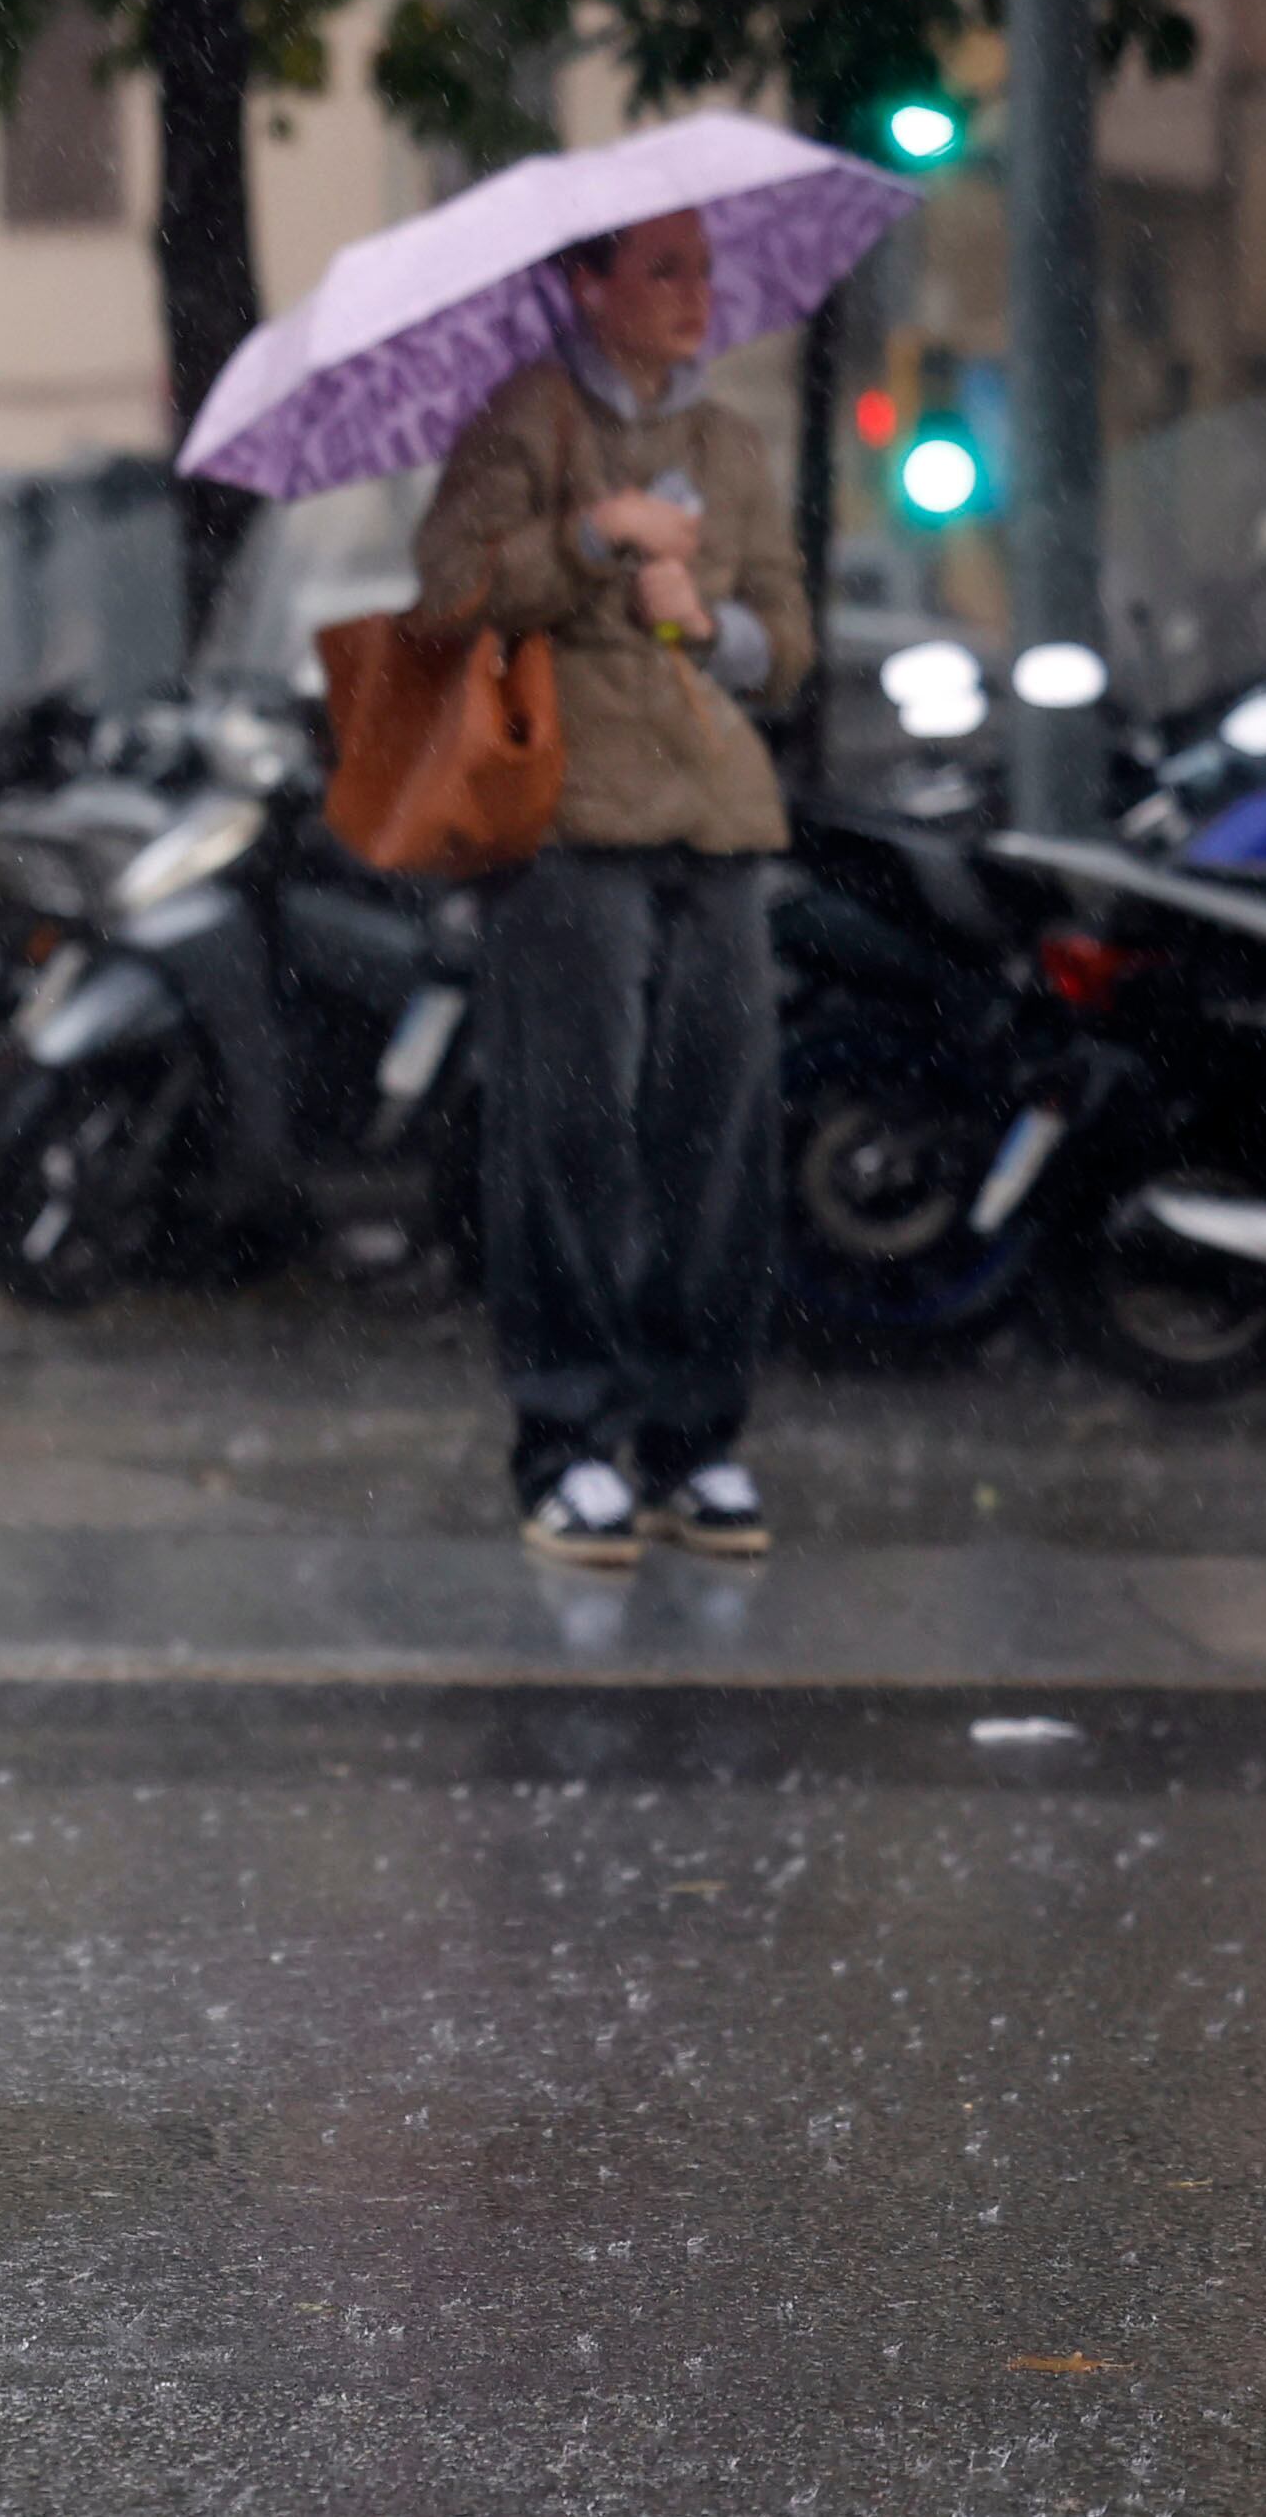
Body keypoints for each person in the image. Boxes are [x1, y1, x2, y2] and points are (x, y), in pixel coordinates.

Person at [408, 205, 815, 1569]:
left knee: (720, 1136)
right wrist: (590, 539)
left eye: (704, 269)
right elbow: (446, 592)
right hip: (568, 818)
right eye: (663, 269)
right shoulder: (524, 420)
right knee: (572, 1135)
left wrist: (722, 625)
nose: (696, 294)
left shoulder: (735, 447)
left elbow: (792, 644)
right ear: (586, 284)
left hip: (718, 818)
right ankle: (569, 1437)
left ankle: (696, 1439)